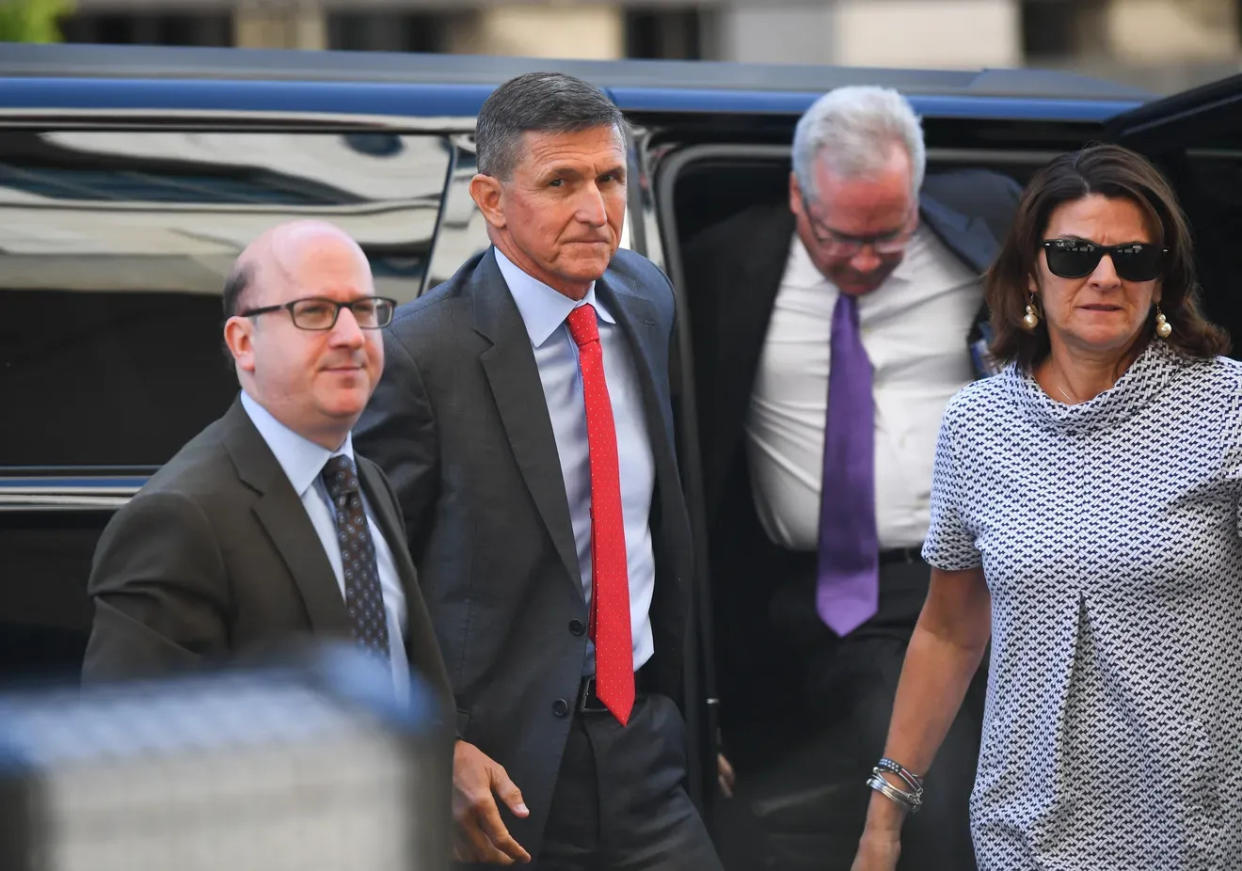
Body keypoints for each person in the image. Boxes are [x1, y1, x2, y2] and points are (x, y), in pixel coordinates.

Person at [353, 72, 722, 870]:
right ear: (490, 198)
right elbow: (367, 585)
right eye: (561, 182)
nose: (597, 209)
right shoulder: (422, 355)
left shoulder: (644, 298)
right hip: (499, 778)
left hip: (644, 741)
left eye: (610, 177)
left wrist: (692, 720)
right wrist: (435, 749)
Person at [852, 143, 1239, 870]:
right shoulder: (976, 424)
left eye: (1133, 257)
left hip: (1198, 827)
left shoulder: (1228, 407)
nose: (1103, 276)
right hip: (1025, 831)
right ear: (1031, 269)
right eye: (1073, 254)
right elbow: (948, 632)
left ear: (1163, 280)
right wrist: (884, 818)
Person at [680, 85, 1020, 869]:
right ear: (799, 196)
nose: (865, 260)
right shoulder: (724, 266)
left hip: (1002, 573)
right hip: (853, 602)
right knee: (936, 810)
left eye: (888, 233)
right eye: (841, 237)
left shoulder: (991, 226)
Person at [83, 219, 451, 713]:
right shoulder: (177, 519)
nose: (350, 336)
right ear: (243, 342)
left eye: (364, 309)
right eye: (315, 312)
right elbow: (129, 748)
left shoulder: (364, 481)